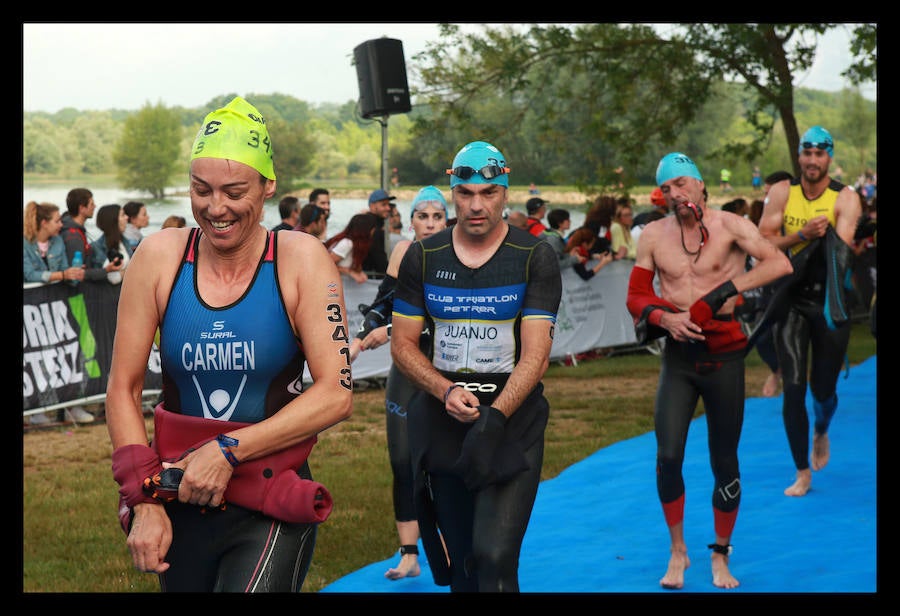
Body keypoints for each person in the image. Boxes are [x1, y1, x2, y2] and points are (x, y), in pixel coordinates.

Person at [105, 96, 353, 592]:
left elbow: (336, 393)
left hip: (270, 494)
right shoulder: (159, 258)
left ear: (268, 187)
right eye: (201, 190)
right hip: (178, 492)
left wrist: (229, 450)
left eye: (234, 191)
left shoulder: (300, 259)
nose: (216, 208)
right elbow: (123, 387)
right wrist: (143, 498)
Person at [392, 140, 562, 592]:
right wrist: (444, 390)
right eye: (465, 193)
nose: (475, 205)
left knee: (495, 556)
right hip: (445, 419)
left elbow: (536, 355)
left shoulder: (533, 256)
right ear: (452, 192)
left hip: (511, 422)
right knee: (465, 566)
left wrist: (497, 415)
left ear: (505, 194)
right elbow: (403, 346)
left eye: (488, 194)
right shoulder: (423, 256)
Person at [626, 152, 791, 590]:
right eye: (667, 188)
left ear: (700, 185)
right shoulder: (654, 236)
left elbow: (780, 263)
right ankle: (678, 549)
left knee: (725, 460)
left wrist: (722, 291)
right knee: (667, 456)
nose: (676, 194)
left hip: (725, 359)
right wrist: (666, 318)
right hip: (679, 360)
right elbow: (637, 296)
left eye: (682, 183)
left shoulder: (732, 226)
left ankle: (720, 552)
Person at [349, 185, 449, 581]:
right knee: (402, 463)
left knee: (441, 464)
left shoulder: (459, 254)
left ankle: (445, 542)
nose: (429, 224)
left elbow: (438, 318)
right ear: (410, 221)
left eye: (437, 217)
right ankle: (409, 555)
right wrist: (363, 334)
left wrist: (390, 329)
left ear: (447, 219)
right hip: (405, 375)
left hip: (443, 371)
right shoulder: (403, 252)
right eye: (422, 217)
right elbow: (384, 300)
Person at [757, 126, 862, 498]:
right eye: (807, 154)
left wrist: (825, 235)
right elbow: (762, 241)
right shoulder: (782, 193)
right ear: (799, 156)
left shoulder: (846, 199)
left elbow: (841, 252)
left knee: (824, 391)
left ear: (829, 157)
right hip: (792, 300)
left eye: (820, 154)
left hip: (830, 304)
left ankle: (821, 430)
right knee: (794, 388)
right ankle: (802, 471)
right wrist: (801, 236)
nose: (813, 161)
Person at [23, 200, 86, 425]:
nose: (61, 224)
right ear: (44, 223)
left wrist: (74, 276)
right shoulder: (25, 244)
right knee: (33, 359)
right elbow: (29, 275)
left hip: (57, 308)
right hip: (31, 312)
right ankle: (35, 411)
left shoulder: (58, 242)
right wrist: (62, 275)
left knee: (66, 354)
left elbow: (65, 269)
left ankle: (72, 404)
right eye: (58, 220)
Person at [61, 187, 125, 283]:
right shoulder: (73, 236)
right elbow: (76, 274)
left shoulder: (76, 231)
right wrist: (106, 270)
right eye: (91, 204)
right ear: (82, 208)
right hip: (76, 294)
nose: (95, 206)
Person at [324, 212, 380, 284]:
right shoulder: (346, 244)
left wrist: (359, 272)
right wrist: (350, 272)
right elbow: (326, 266)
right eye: (372, 228)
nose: (374, 231)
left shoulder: (355, 245)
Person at [90, 203, 133, 285]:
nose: (127, 217)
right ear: (113, 220)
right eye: (123, 215)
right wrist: (130, 272)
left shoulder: (125, 241)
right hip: (107, 295)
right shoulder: (96, 247)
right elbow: (114, 279)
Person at [362, 188, 395, 276]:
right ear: (372, 206)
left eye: (388, 204)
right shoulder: (374, 227)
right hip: (368, 277)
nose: (388, 208)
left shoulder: (365, 221)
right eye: (383, 205)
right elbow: (378, 258)